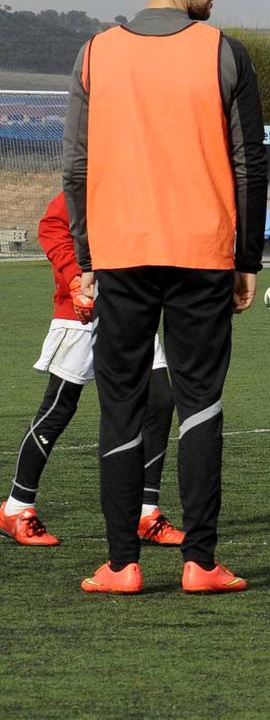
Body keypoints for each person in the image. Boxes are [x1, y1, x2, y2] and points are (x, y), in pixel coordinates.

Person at [62, 0, 267, 594]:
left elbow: (76, 169)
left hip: (120, 255)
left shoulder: (94, 55)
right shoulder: (224, 52)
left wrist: (86, 256)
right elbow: (250, 164)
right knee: (200, 403)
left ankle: (121, 564)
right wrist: (246, 257)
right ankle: (200, 562)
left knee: (120, 406)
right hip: (202, 255)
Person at [0, 193, 184, 549]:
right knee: (59, 406)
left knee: (160, 399)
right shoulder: (90, 176)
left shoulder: (146, 179)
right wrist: (74, 278)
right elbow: (52, 226)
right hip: (83, 309)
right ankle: (16, 507)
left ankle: (145, 512)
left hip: (134, 307)